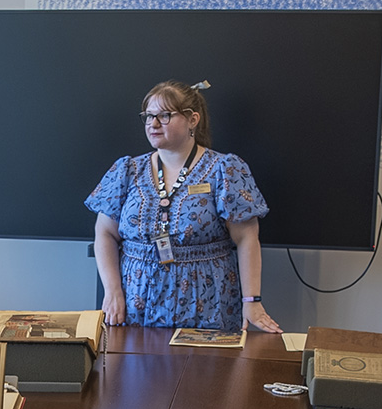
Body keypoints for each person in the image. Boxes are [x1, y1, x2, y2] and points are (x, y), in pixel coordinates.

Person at [85, 80, 281, 333]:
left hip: (207, 301)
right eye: (149, 116)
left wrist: (251, 302)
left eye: (164, 116)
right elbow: (104, 233)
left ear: (193, 119)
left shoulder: (225, 170)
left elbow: (247, 238)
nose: (153, 124)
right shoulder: (127, 170)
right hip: (136, 303)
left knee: (204, 371)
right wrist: (112, 292)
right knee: (134, 371)